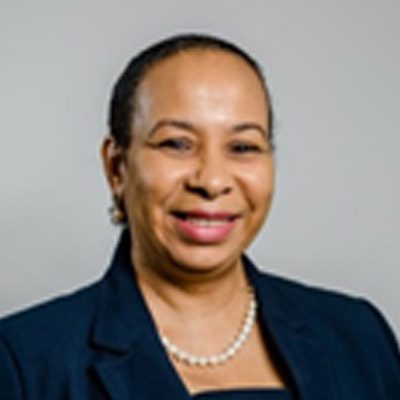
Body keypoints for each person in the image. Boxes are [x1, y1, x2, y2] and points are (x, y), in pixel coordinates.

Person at [0, 33, 399, 400]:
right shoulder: (25, 361)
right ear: (117, 168)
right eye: (177, 144)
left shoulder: (359, 336)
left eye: (243, 147)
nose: (212, 181)